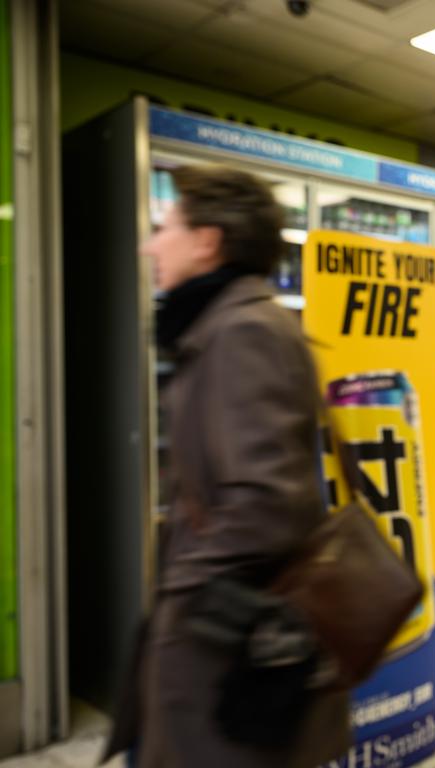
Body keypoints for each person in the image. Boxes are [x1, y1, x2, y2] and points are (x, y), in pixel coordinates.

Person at [104, 166, 348, 767]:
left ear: (207, 241)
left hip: (229, 650)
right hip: (224, 639)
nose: (150, 244)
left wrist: (182, 589)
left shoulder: (242, 332)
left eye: (165, 228)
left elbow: (267, 503)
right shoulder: (228, 326)